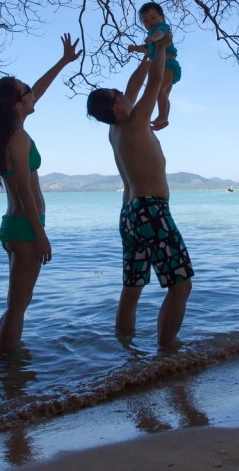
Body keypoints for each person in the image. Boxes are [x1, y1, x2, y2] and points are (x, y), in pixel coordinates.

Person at [87, 31, 194, 348]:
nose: (124, 92)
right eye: (118, 94)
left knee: (132, 287)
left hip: (130, 215)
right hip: (152, 211)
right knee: (181, 284)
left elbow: (135, 84)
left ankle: (126, 353)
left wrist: (146, 55)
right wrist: (160, 49)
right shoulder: (134, 122)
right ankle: (167, 348)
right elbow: (154, 82)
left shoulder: (116, 130)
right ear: (117, 107)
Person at [0, 33, 81, 356]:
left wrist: (64, 62)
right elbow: (26, 191)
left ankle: (6, 367)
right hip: (26, 228)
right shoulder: (18, 139)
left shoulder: (8, 134)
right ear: (17, 104)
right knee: (18, 307)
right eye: (27, 93)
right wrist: (40, 236)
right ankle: (10, 376)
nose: (33, 95)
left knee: (15, 304)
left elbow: (38, 90)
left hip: (15, 227)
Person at [126, 1, 180, 130]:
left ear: (162, 17)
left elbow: (160, 34)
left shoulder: (161, 28)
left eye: (153, 17)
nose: (150, 22)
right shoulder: (150, 37)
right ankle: (164, 117)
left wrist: (154, 38)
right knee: (164, 94)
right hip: (163, 66)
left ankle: (162, 115)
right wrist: (134, 48)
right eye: (146, 21)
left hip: (168, 64)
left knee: (158, 90)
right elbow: (146, 49)